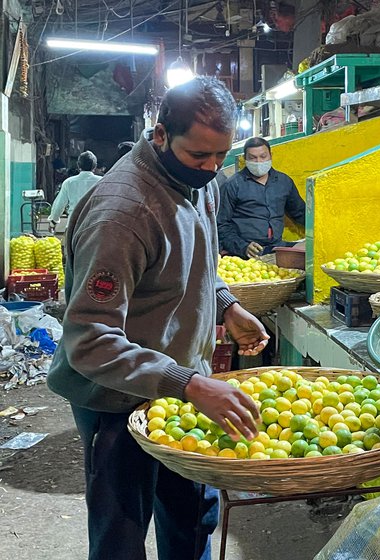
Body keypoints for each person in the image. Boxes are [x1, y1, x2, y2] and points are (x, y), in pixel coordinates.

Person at [47, 76, 269, 560]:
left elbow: (198, 261)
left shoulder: (197, 179)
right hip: (115, 397)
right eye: (200, 157)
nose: (212, 168)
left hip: (183, 386)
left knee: (192, 516)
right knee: (121, 530)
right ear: (161, 135)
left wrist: (226, 305)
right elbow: (90, 340)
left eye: (221, 156)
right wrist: (189, 383)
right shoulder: (123, 214)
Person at [217, 137, 306, 259]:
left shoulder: (284, 182)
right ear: (245, 159)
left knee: (309, 253)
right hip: (245, 253)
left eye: (263, 156)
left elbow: (300, 212)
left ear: (271, 155)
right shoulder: (233, 185)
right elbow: (221, 224)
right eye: (253, 158)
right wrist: (243, 247)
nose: (258, 162)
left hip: (276, 247)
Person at [48, 150, 101, 230]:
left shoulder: (69, 182)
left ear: (78, 165)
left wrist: (53, 222)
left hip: (73, 225)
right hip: (95, 225)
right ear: (95, 166)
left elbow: (59, 205)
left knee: (68, 242)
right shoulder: (102, 182)